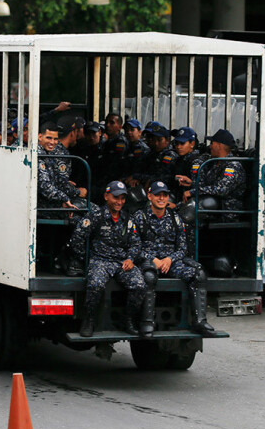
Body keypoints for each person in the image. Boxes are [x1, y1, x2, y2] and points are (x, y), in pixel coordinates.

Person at [135, 181, 216, 337]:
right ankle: (147, 322)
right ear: (150, 196)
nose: (161, 198)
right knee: (148, 277)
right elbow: (133, 248)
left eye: (164, 195)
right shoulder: (140, 217)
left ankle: (200, 321)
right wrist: (154, 259)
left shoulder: (175, 218)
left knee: (197, 275)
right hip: (148, 262)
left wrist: (169, 259)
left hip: (170, 263)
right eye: (158, 195)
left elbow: (182, 248)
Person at [70, 181, 146, 337]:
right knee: (95, 284)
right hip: (100, 260)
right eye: (116, 197)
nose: (119, 202)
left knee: (139, 284)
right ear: (106, 196)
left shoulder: (128, 219)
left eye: (123, 198)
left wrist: (131, 259)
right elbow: (77, 237)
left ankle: (128, 320)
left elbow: (136, 243)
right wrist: (86, 259)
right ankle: (89, 320)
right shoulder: (96, 215)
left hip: (121, 262)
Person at [182, 129, 246, 221]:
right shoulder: (216, 163)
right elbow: (209, 186)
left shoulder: (233, 166)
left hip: (226, 211)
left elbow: (221, 189)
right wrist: (192, 183)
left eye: (212, 143)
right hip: (212, 206)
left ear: (219, 145)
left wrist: (193, 192)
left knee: (189, 215)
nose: (210, 146)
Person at [37, 121, 80, 214]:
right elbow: (45, 186)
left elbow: (56, 178)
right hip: (44, 207)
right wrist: (64, 198)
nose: (52, 142)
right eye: (49, 138)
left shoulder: (47, 154)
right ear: (40, 137)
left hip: (52, 203)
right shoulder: (38, 155)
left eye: (55, 139)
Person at [128, 121, 178, 189]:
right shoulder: (153, 153)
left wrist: (147, 180)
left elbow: (164, 176)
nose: (156, 143)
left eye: (159, 140)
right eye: (154, 140)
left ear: (167, 140)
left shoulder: (169, 155)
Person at [52, 120, 87, 201]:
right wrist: (78, 192)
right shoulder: (61, 153)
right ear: (72, 133)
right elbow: (61, 185)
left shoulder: (55, 149)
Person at [170, 127, 201, 202]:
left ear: (192, 144)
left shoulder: (196, 162)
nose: (178, 147)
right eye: (176, 143)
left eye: (182, 143)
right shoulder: (179, 159)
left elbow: (199, 187)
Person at [99, 113, 128, 185]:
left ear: (119, 127)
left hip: (116, 181)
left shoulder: (120, 142)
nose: (107, 125)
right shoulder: (107, 143)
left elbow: (117, 164)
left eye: (112, 123)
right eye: (106, 122)